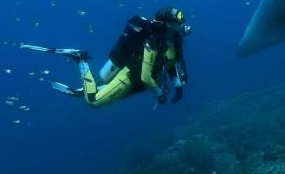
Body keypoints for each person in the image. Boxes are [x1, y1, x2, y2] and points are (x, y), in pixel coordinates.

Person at [21, 7, 190, 108]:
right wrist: (159, 94)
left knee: (103, 88)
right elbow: (146, 76)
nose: (182, 26)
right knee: (93, 102)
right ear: (168, 24)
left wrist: (178, 85)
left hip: (139, 84)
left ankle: (84, 90)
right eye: (178, 21)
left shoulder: (174, 40)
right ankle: (81, 59)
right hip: (131, 78)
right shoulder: (153, 42)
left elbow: (172, 63)